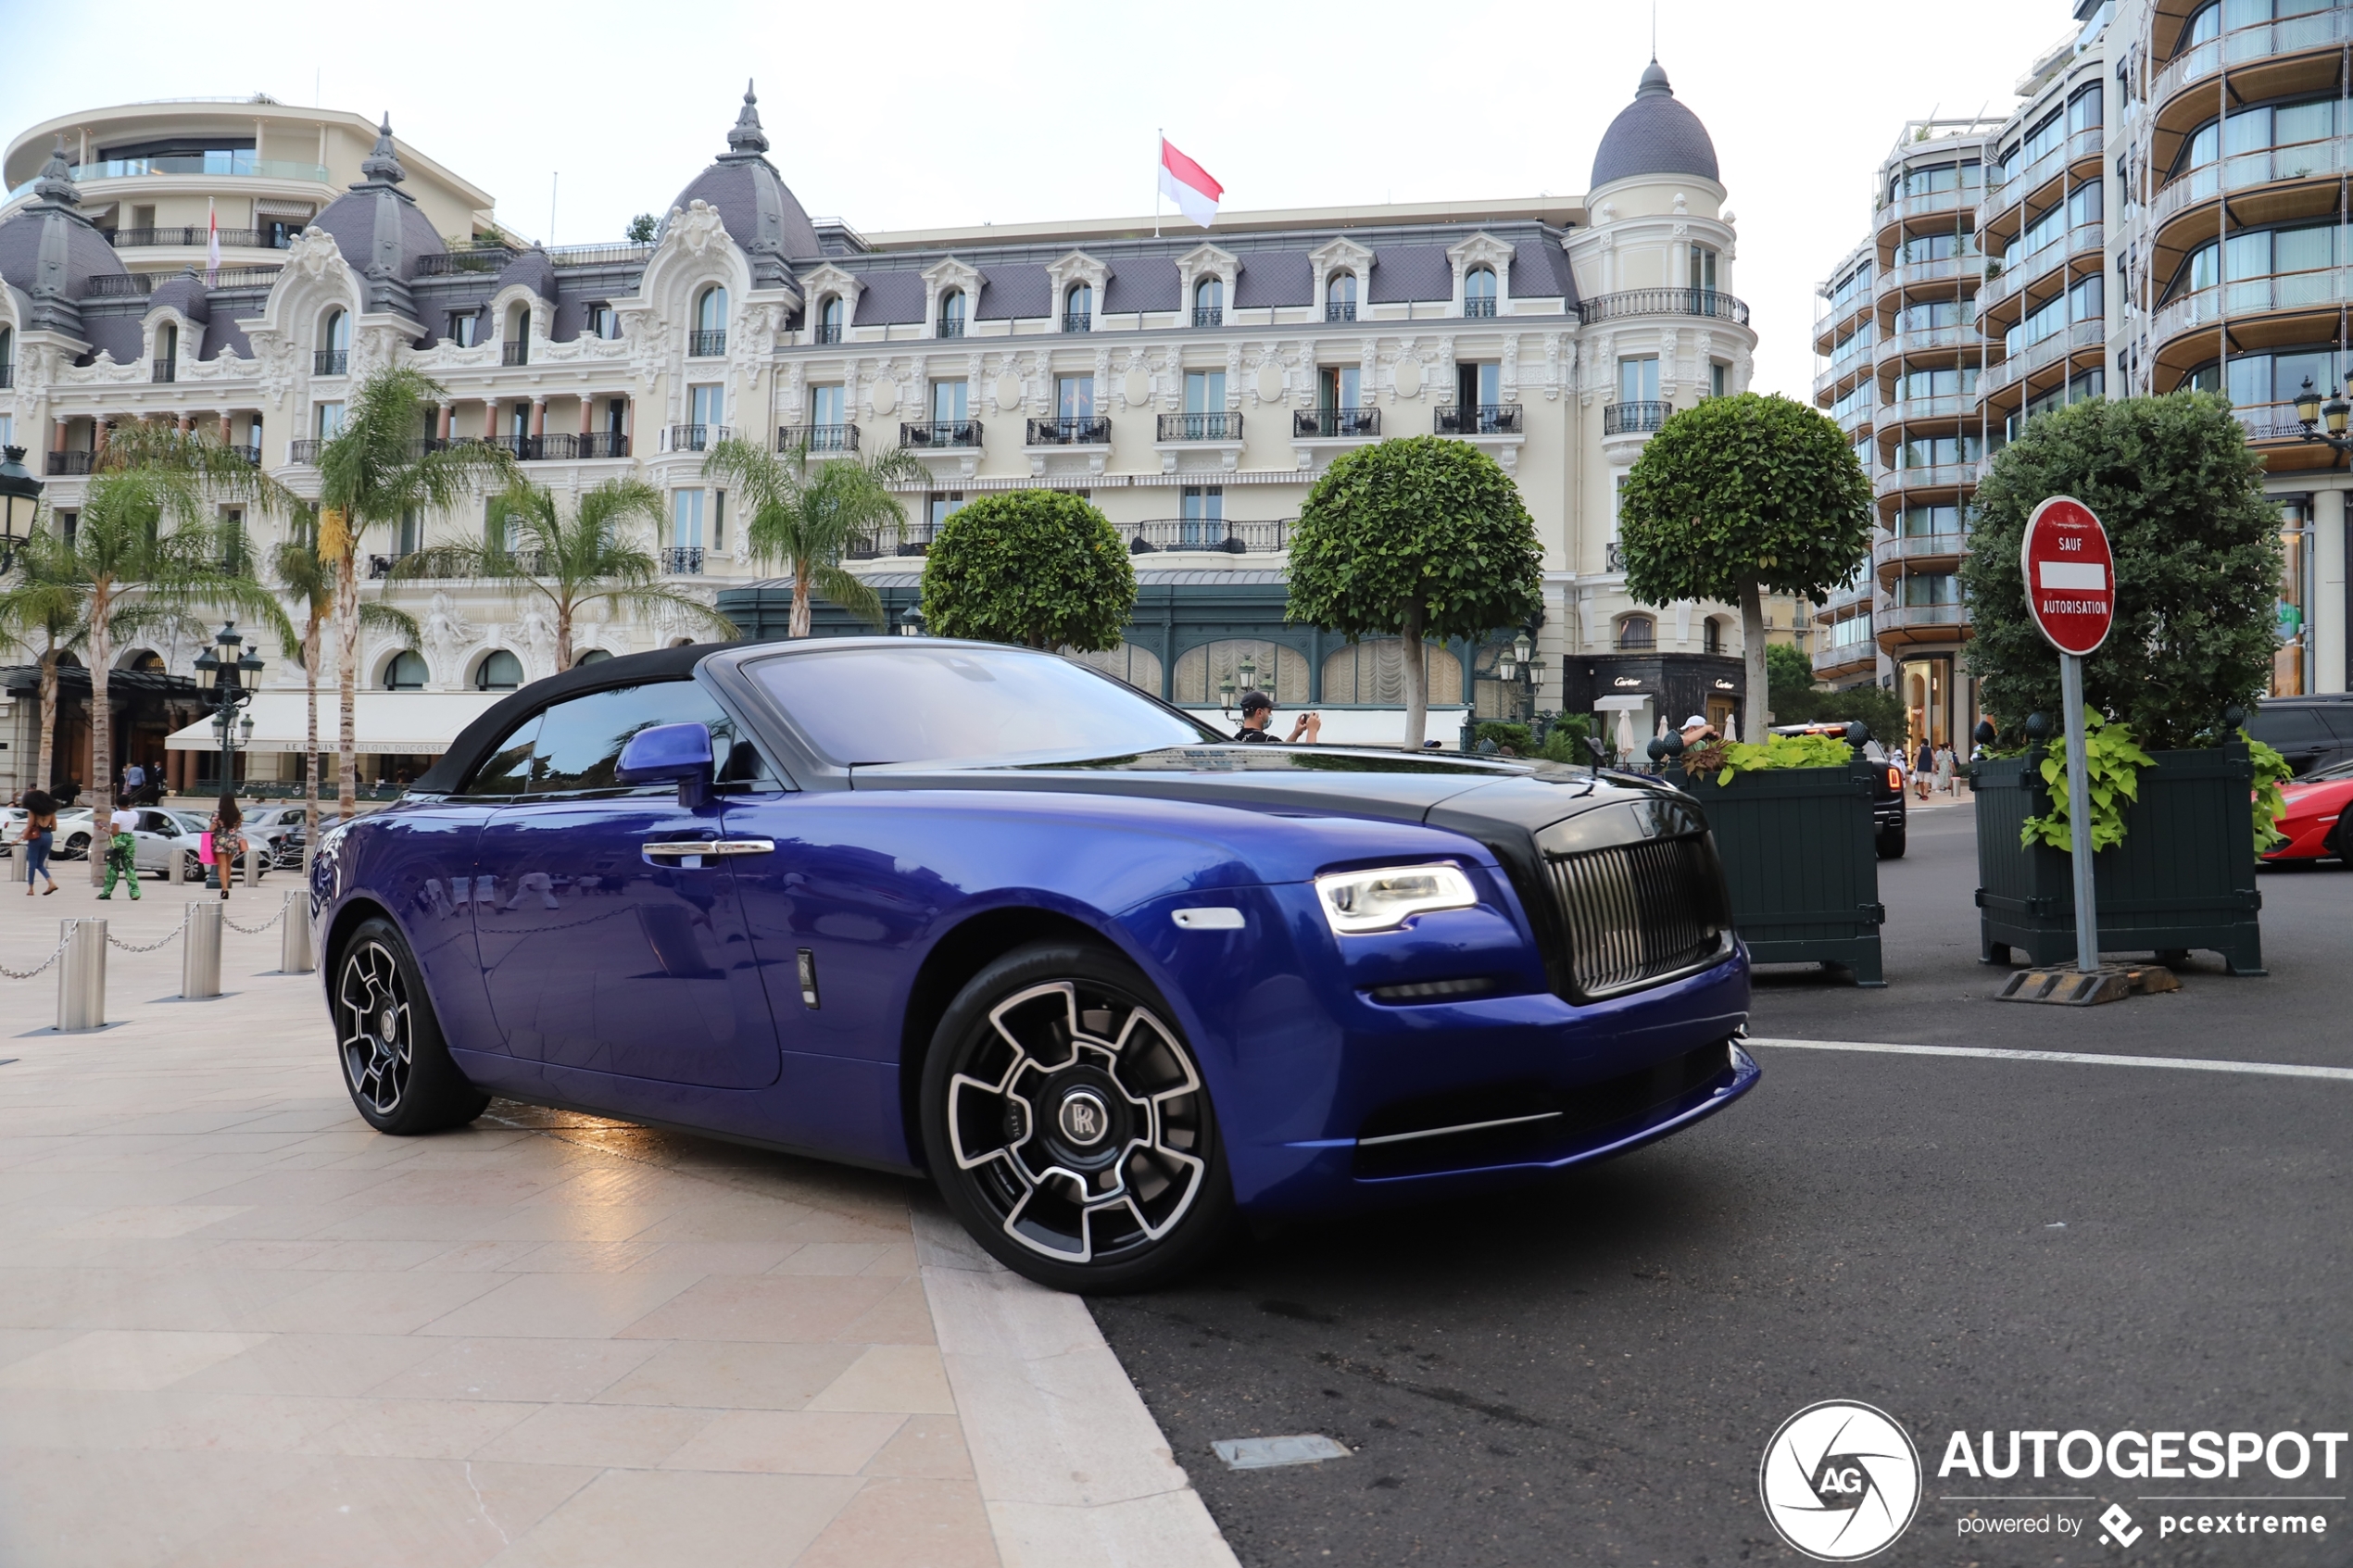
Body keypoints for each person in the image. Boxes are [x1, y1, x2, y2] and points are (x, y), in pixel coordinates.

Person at [1233, 691, 1320, 745]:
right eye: (1269, 711)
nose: (1270, 715)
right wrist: (1312, 730)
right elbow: (1308, 760)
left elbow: (1284, 750)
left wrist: (1296, 733)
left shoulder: (1235, 740)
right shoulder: (1267, 741)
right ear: (1259, 713)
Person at [18, 789, 59, 896]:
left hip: (36, 837)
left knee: (32, 864)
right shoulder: (51, 812)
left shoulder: (33, 811)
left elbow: (29, 826)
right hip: (48, 836)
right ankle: (50, 883)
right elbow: (54, 827)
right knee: (40, 864)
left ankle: (31, 889)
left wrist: (19, 838)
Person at [99, 802, 141, 901]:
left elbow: (115, 832)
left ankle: (106, 892)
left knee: (112, 867)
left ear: (118, 804)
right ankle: (135, 892)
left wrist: (104, 829)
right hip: (130, 839)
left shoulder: (116, 815)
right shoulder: (135, 814)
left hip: (118, 840)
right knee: (129, 867)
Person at [208, 798, 247, 902]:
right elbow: (238, 826)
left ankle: (224, 889)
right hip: (233, 841)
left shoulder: (217, 813)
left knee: (222, 865)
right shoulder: (238, 814)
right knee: (228, 865)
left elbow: (211, 828)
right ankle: (226, 884)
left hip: (220, 841)